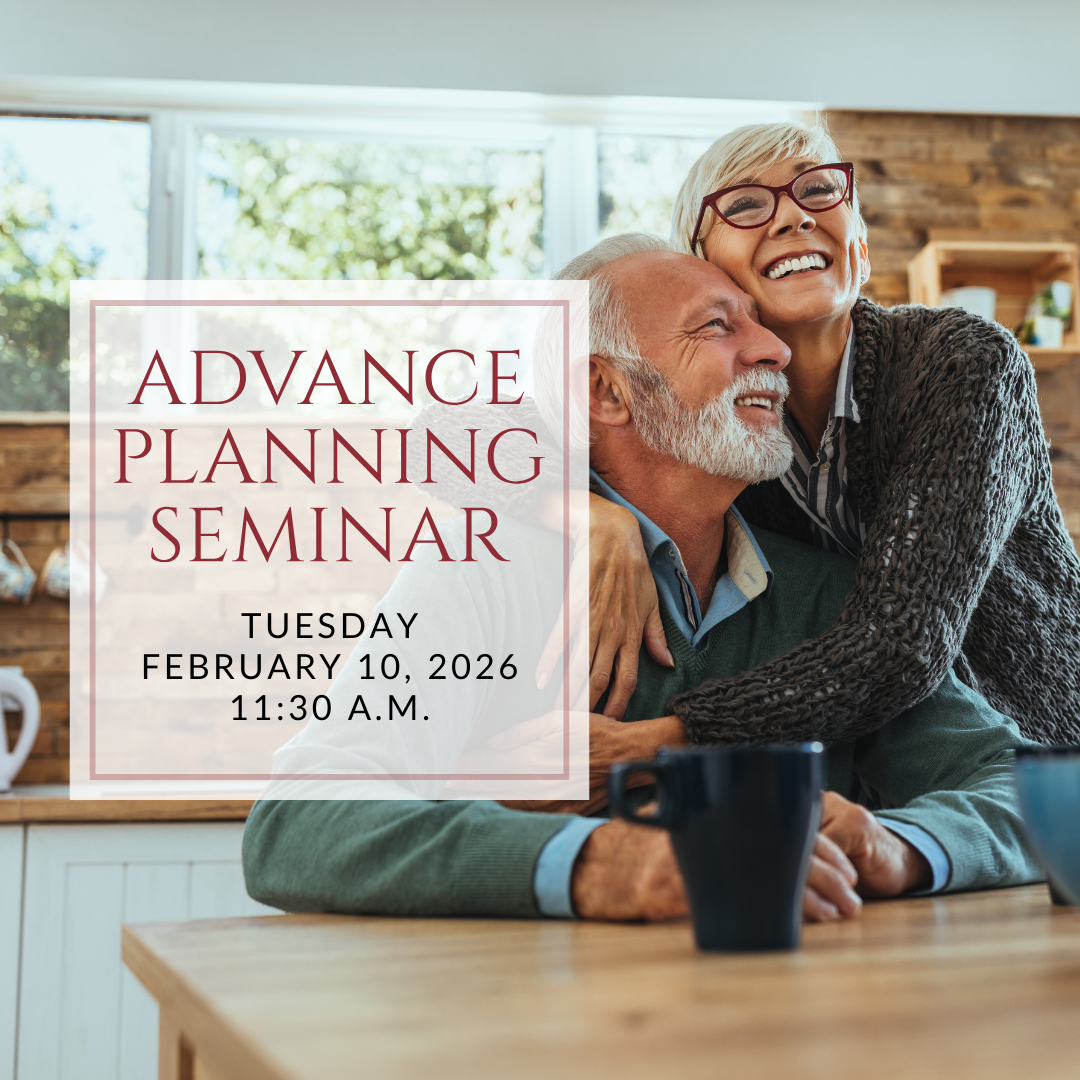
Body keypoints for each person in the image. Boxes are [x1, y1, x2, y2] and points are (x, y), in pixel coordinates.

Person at [242, 236, 1041, 924]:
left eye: (759, 324)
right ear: (605, 391)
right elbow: (298, 822)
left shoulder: (828, 596)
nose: (774, 349)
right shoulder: (482, 573)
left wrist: (897, 843)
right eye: (717, 327)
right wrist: (605, 862)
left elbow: (1020, 788)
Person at [565, 121, 1080, 748]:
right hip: (857, 760)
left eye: (818, 191)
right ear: (701, 269)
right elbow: (451, 434)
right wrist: (587, 512)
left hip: (1025, 759)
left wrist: (656, 744)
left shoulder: (963, 362)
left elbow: (901, 643)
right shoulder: (719, 421)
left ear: (859, 242)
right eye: (747, 204)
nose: (794, 218)